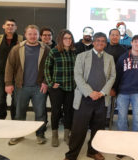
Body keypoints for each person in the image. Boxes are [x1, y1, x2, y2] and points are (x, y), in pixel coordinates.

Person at [64, 32, 116, 160]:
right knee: (78, 129)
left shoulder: (110, 58)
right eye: (97, 40)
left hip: (102, 99)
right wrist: (90, 92)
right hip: (84, 98)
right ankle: (71, 155)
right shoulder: (82, 56)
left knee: (98, 129)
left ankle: (92, 151)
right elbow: (78, 76)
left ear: (106, 43)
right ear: (93, 42)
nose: (100, 43)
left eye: (103, 41)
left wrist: (102, 92)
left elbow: (112, 76)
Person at [5, 24, 50, 145]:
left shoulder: (45, 49)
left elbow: (50, 68)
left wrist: (46, 82)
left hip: (39, 87)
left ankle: (40, 134)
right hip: (21, 87)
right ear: (25, 35)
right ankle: (18, 134)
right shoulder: (17, 49)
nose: (32, 36)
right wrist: (8, 83)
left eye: (35, 34)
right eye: (30, 34)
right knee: (20, 112)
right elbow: (9, 66)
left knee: (40, 112)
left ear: (38, 35)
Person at [44, 29, 76, 147]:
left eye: (70, 38)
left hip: (71, 87)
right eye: (65, 38)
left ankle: (66, 135)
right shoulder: (54, 51)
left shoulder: (74, 52)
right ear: (61, 39)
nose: (68, 40)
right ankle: (55, 135)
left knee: (69, 111)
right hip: (57, 88)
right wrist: (51, 83)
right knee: (56, 112)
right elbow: (47, 68)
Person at [0, 19, 23, 120]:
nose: (10, 27)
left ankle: (15, 120)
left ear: (16, 27)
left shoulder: (21, 39)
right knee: (1, 98)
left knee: (16, 100)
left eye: (12, 25)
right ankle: (1, 120)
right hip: (1, 74)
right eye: (8, 25)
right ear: (3, 26)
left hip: (17, 74)